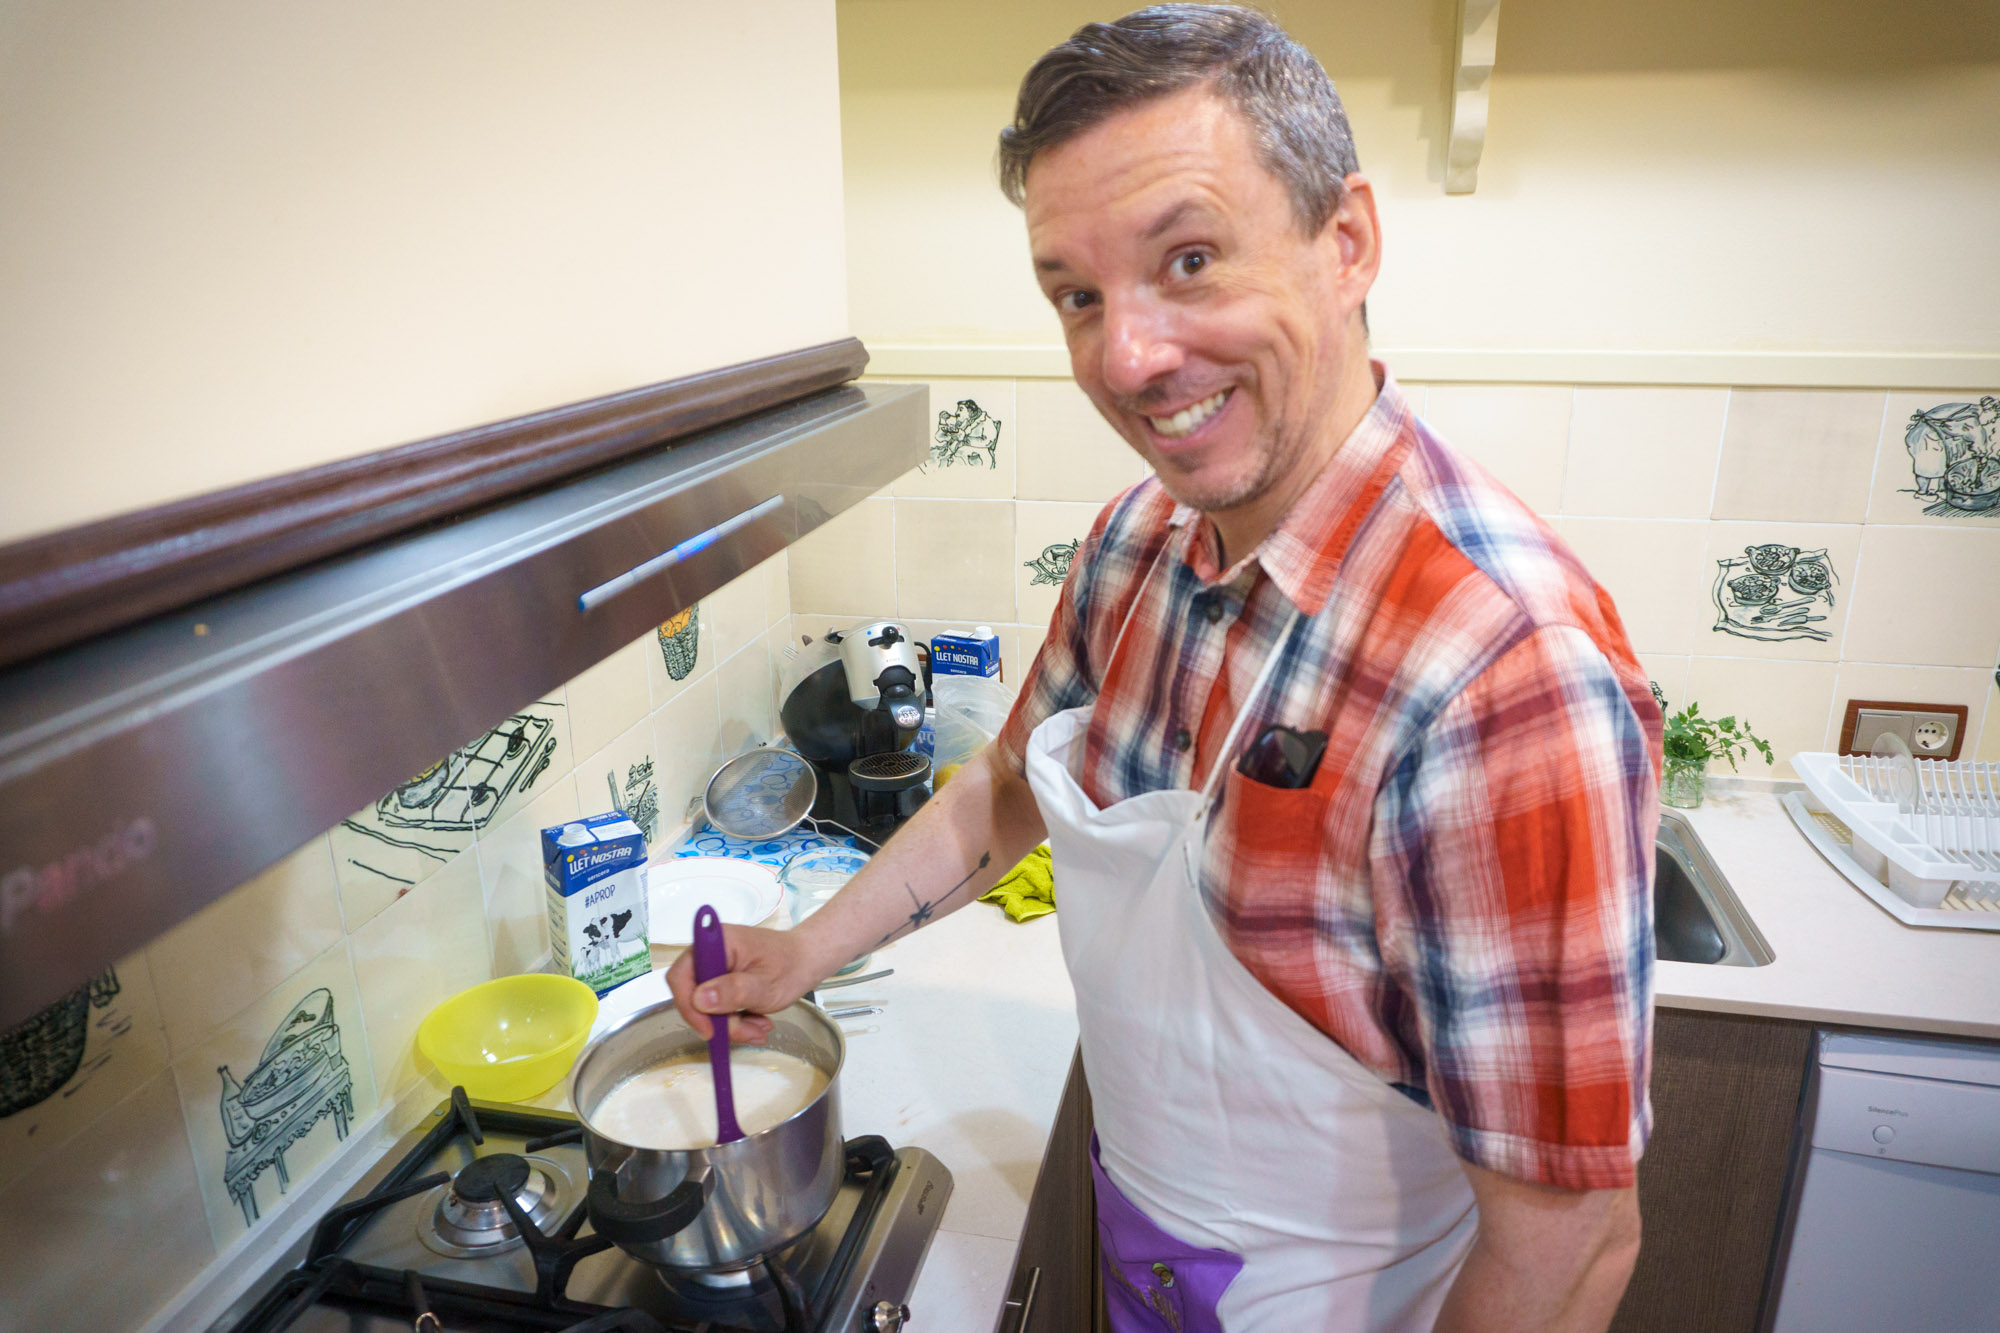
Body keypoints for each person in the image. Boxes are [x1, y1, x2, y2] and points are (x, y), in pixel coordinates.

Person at [669, 7, 1661, 1330]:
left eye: (1188, 259)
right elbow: (1005, 791)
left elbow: (1573, 1245)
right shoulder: (1139, 546)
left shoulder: (1500, 680)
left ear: (1348, 241)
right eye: (1077, 295)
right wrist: (804, 950)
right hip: (1155, 1257)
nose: (1124, 357)